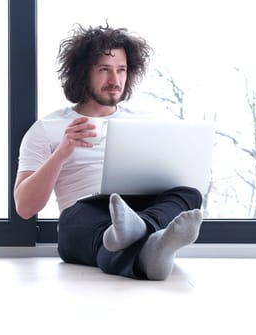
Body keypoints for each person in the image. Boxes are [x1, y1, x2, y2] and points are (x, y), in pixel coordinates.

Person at [13, 23, 203, 281]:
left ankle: (142, 233)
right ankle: (150, 246)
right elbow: (25, 207)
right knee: (80, 224)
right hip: (85, 215)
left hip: (139, 209)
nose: (115, 81)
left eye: (121, 70)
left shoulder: (148, 122)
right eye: (104, 70)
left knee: (189, 194)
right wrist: (61, 153)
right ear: (82, 73)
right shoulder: (47, 128)